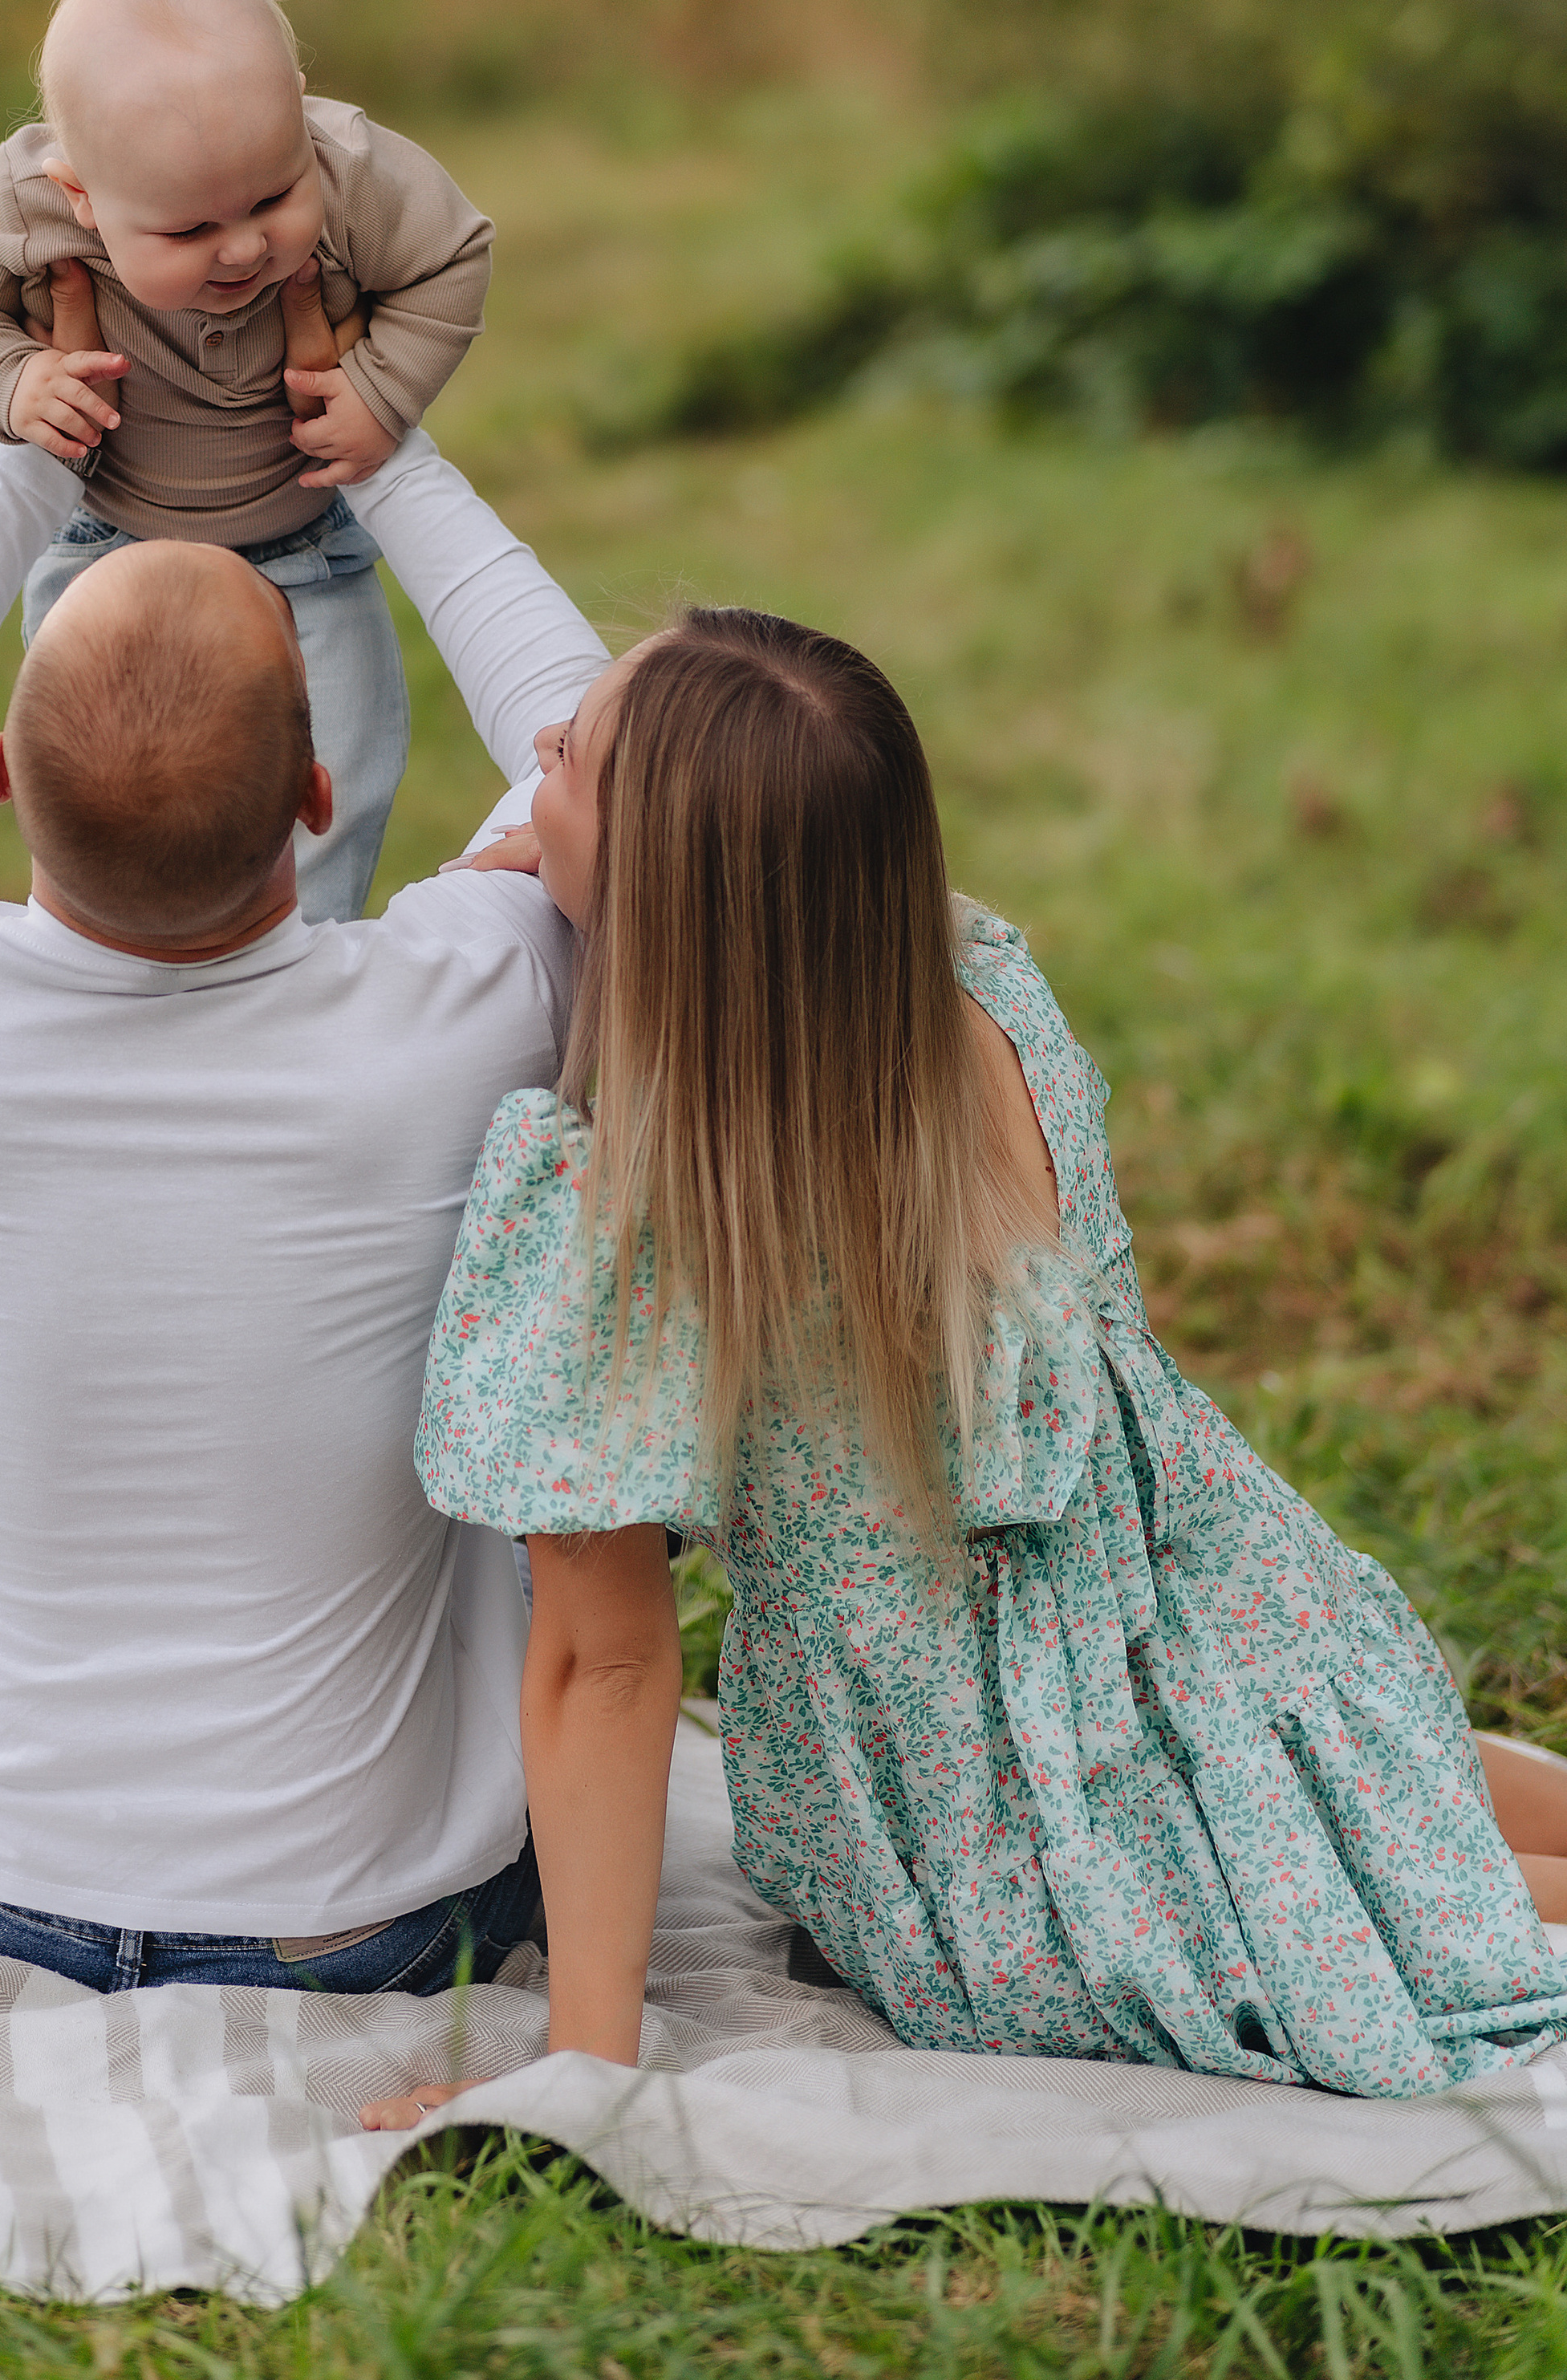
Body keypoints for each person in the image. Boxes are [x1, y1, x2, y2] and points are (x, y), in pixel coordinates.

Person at [367, 604, 1567, 2120]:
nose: (533, 762)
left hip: (1001, 1806)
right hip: (1242, 1622)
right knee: (1374, 1799)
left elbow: (603, 1655)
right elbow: (803, 866)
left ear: (669, 897)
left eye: (567, 759)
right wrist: (610, 847)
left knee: (1370, 1919)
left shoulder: (644, 1212)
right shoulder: (987, 988)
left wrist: (586, 2052)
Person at [0, 264, 612, 1998]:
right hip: (376, 1930)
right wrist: (379, 445)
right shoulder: (471, 1004)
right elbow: (592, 740)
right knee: (489, 1529)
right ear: (314, 793)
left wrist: (30, 454)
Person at [0, 0, 496, 919]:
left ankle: (302, 970)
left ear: (297, 108)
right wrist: (16, 377)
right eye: (188, 232)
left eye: (272, 198)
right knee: (117, 802)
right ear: (80, 193)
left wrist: (382, 389)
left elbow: (451, 257)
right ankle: (118, 972)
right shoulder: (32, 203)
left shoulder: (353, 172)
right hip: (106, 552)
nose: (247, 246)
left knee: (327, 796)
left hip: (299, 555)